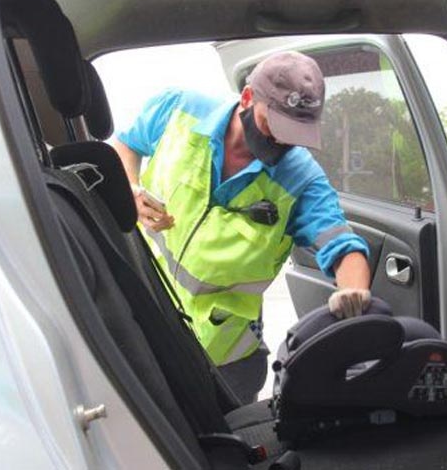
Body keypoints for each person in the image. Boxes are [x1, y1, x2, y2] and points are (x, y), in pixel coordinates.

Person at [111, 51, 371, 403]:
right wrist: (129, 188)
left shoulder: (301, 178)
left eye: (297, 132)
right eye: (275, 126)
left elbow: (343, 246)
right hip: (141, 328)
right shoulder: (177, 110)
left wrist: (353, 292)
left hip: (223, 361)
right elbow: (125, 144)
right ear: (248, 99)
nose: (283, 142)